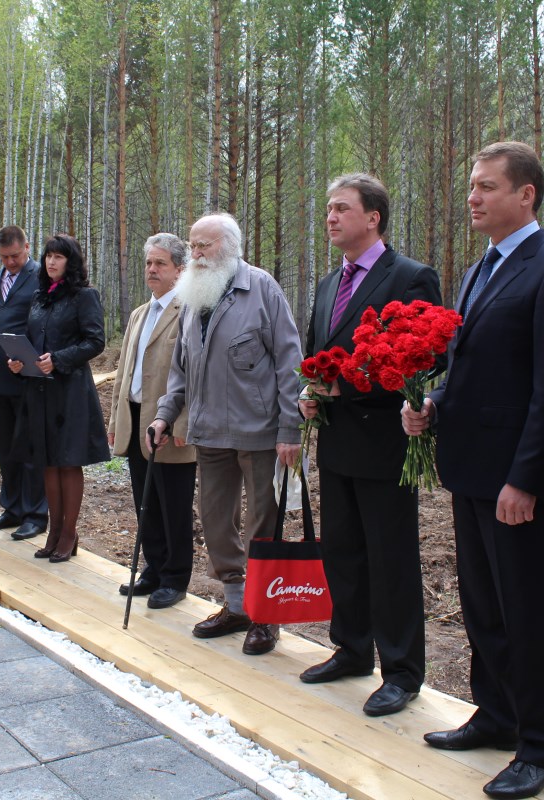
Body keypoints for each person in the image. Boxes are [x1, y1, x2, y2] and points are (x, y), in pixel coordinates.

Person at [401, 142, 544, 799]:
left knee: (528, 612)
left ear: (527, 195)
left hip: (518, 483)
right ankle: (497, 715)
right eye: (471, 187)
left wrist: (527, 480)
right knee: (483, 605)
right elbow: (474, 368)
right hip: (472, 471)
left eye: (487, 187)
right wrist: (434, 403)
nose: (473, 198)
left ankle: (542, 747)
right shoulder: (480, 269)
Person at [298, 174, 442, 716]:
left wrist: (355, 384)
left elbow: (427, 362)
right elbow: (318, 357)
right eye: (328, 209)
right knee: (344, 554)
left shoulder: (410, 277)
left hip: (386, 442)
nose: (331, 217)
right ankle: (352, 649)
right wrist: (310, 397)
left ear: (373, 217)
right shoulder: (325, 285)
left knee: (391, 560)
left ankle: (402, 671)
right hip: (336, 443)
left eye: (341, 209)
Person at [151, 212, 303, 657]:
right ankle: (236, 606)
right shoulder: (193, 295)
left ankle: (264, 617)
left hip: (259, 432)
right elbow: (182, 367)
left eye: (205, 246)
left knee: (262, 526)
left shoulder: (262, 288)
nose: (195, 255)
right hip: (210, 430)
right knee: (216, 523)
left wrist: (289, 428)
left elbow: (289, 361)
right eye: (193, 246)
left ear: (231, 246)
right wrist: (165, 415)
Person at [5, 233, 108, 562]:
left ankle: (69, 533)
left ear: (71, 261)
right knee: (47, 461)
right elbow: (34, 338)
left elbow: (95, 341)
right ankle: (53, 530)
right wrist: (19, 360)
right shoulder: (39, 297)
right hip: (39, 390)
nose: (51, 262)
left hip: (71, 392)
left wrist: (59, 358)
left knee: (67, 461)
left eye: (59, 257)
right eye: (48, 255)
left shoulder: (84, 296)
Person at [109, 233, 197, 610]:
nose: (152, 270)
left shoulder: (189, 311)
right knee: (145, 501)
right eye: (148, 263)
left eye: (160, 263)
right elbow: (123, 371)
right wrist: (116, 418)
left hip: (169, 424)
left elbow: (194, 374)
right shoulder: (139, 314)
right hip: (135, 419)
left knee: (173, 504)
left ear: (180, 269)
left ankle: (176, 577)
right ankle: (153, 568)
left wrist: (182, 424)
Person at [0, 226, 48, 540]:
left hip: (28, 377)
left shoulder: (41, 278)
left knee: (31, 448)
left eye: (16, 256)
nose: (10, 262)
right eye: (5, 257)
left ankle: (36, 513)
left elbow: (45, 324)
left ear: (27, 247)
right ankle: (12, 508)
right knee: (5, 446)